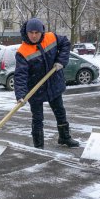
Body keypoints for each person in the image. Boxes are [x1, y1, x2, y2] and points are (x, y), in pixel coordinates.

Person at [14, 18, 79, 149]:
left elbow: (65, 43)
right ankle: (38, 146)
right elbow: (20, 75)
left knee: (60, 112)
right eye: (30, 32)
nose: (33, 35)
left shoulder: (51, 37)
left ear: (42, 31)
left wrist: (61, 61)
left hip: (53, 84)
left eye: (36, 32)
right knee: (37, 118)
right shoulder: (23, 51)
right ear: (26, 33)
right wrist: (20, 94)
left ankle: (64, 137)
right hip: (35, 89)